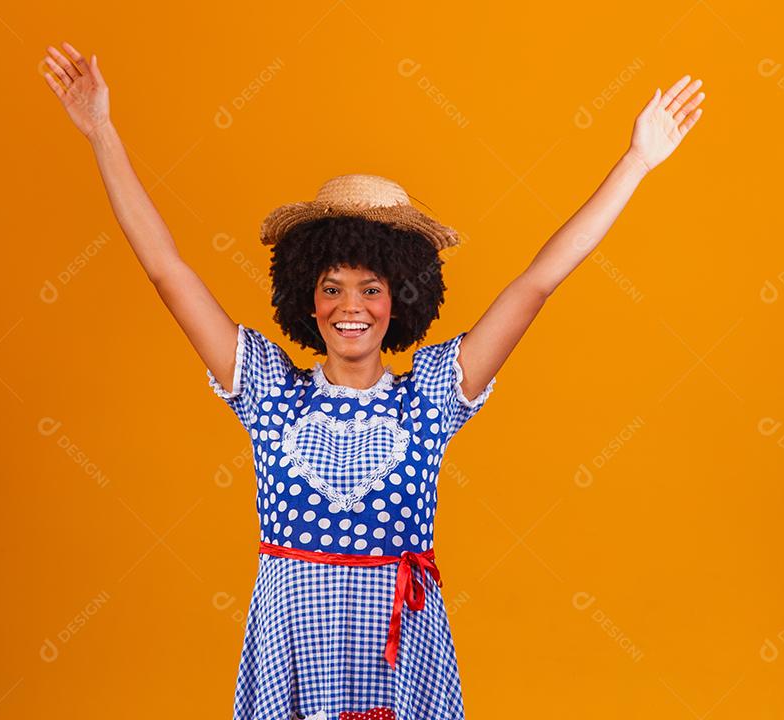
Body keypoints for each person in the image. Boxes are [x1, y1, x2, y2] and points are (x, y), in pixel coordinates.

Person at [40, 40, 705, 720]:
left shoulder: (432, 398)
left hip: (400, 657)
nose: (350, 307)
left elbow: (537, 283)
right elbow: (167, 271)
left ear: (400, 298)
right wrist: (103, 132)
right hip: (290, 653)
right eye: (332, 288)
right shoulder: (270, 391)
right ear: (307, 296)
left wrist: (635, 164)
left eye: (371, 287)